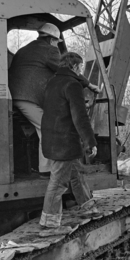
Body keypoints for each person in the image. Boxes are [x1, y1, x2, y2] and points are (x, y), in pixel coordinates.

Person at [8, 23, 100, 176]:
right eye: (57, 42)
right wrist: (89, 85)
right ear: (51, 39)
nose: (57, 45)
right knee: (47, 128)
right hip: (26, 98)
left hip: (15, 96)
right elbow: (66, 70)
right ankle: (47, 170)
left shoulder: (25, 49)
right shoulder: (49, 50)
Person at [39, 52, 100, 236]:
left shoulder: (53, 82)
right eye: (80, 67)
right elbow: (79, 118)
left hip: (52, 139)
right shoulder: (72, 85)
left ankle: (88, 207)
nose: (81, 71)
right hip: (64, 141)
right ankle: (49, 225)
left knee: (76, 173)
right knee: (58, 182)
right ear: (75, 67)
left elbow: (60, 108)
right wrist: (90, 142)